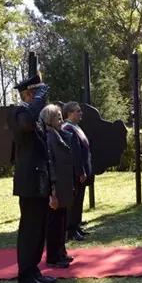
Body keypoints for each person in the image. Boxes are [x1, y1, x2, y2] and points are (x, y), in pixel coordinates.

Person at [7, 73, 57, 283]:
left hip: (41, 181)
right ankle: (24, 276)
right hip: (29, 182)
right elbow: (26, 124)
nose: (41, 99)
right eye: (37, 95)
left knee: (38, 229)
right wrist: (39, 101)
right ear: (27, 95)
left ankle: (33, 269)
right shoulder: (18, 113)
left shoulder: (35, 117)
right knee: (29, 230)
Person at [40, 104, 78, 269]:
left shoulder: (58, 134)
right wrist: (53, 192)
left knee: (62, 221)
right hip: (56, 188)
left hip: (64, 186)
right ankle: (53, 257)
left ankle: (61, 252)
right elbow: (51, 165)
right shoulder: (49, 137)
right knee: (55, 223)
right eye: (58, 117)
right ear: (49, 120)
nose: (61, 120)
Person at [62, 101, 92, 242]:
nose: (81, 113)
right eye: (78, 111)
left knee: (79, 200)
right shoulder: (68, 128)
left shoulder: (76, 127)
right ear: (69, 114)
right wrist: (80, 172)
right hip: (75, 173)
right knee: (74, 202)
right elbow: (75, 153)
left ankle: (76, 226)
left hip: (82, 171)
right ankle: (71, 230)